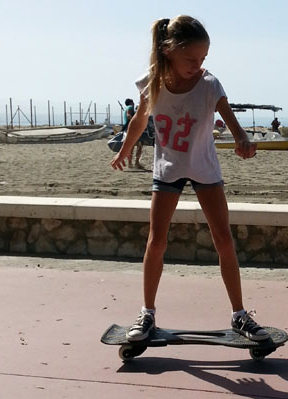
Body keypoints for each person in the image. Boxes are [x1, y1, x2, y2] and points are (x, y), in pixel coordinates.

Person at [110, 15, 267, 342]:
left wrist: (243, 141)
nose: (199, 66)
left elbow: (233, 124)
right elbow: (139, 121)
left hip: (204, 168)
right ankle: (147, 313)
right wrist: (124, 149)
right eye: (191, 59)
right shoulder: (152, 82)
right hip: (168, 168)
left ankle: (240, 315)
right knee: (156, 241)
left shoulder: (209, 85)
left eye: (203, 58)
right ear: (168, 51)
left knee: (223, 239)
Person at [123, 98, 143, 168]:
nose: (134, 104)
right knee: (139, 145)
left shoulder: (125, 108)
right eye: (133, 102)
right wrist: (135, 121)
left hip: (126, 129)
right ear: (131, 103)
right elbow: (128, 115)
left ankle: (130, 163)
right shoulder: (130, 107)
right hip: (132, 129)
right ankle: (137, 163)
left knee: (131, 146)